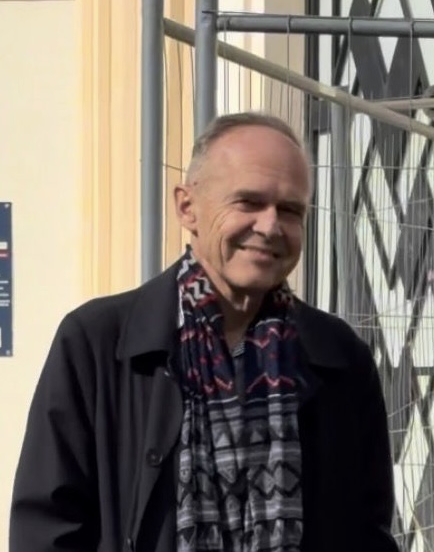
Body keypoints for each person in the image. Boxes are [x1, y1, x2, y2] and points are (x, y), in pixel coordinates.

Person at [10, 112, 400, 552]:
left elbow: (369, 532)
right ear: (187, 207)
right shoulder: (97, 344)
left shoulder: (338, 357)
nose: (270, 226)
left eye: (290, 210)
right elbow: (46, 530)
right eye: (248, 202)